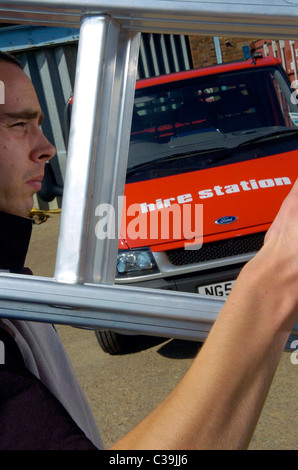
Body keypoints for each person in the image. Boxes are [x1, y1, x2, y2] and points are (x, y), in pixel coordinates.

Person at [0, 50, 297, 450]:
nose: (48, 148)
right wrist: (271, 286)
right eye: (19, 124)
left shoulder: (13, 280)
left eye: (39, 123)